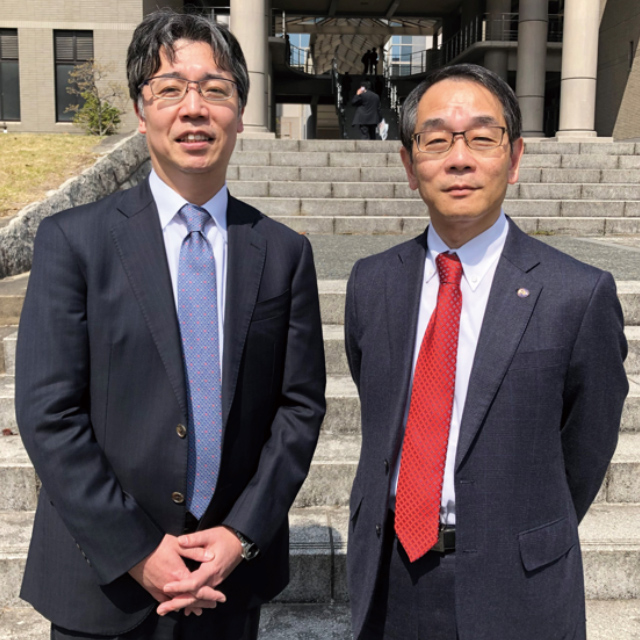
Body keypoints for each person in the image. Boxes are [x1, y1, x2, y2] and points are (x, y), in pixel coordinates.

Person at [15, 9, 326, 640]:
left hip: (226, 583)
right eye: (170, 89)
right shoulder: (74, 242)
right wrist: (135, 548)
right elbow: (49, 413)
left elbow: (299, 408)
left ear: (240, 111)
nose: (194, 109)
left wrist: (241, 534)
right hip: (102, 585)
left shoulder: (283, 252)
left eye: (215, 89)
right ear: (141, 109)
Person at [344, 63, 628, 640]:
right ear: (409, 165)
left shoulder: (577, 293)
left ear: (514, 158)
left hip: (519, 585)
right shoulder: (371, 283)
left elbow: (586, 445)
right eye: (436, 140)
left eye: (481, 137)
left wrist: (524, 530)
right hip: (389, 578)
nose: (459, 159)